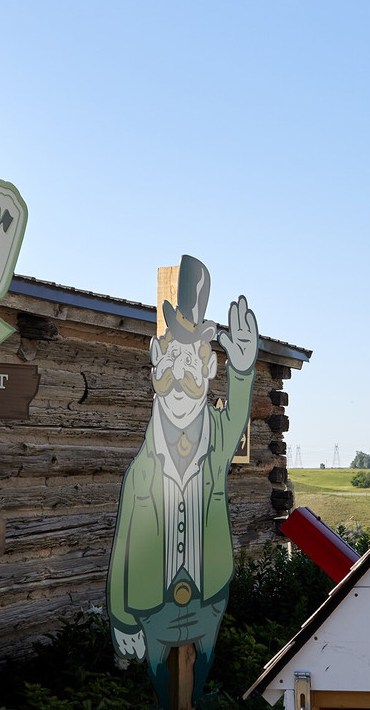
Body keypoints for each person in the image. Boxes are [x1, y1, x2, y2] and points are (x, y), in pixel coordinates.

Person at [107, 256, 258, 707]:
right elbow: (123, 551)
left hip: (208, 596)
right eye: (171, 360)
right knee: (161, 682)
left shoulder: (215, 446)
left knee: (201, 666)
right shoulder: (141, 471)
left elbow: (234, 418)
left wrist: (244, 370)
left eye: (193, 365)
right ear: (155, 363)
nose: (180, 380)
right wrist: (120, 619)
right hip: (153, 605)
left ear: (210, 370)